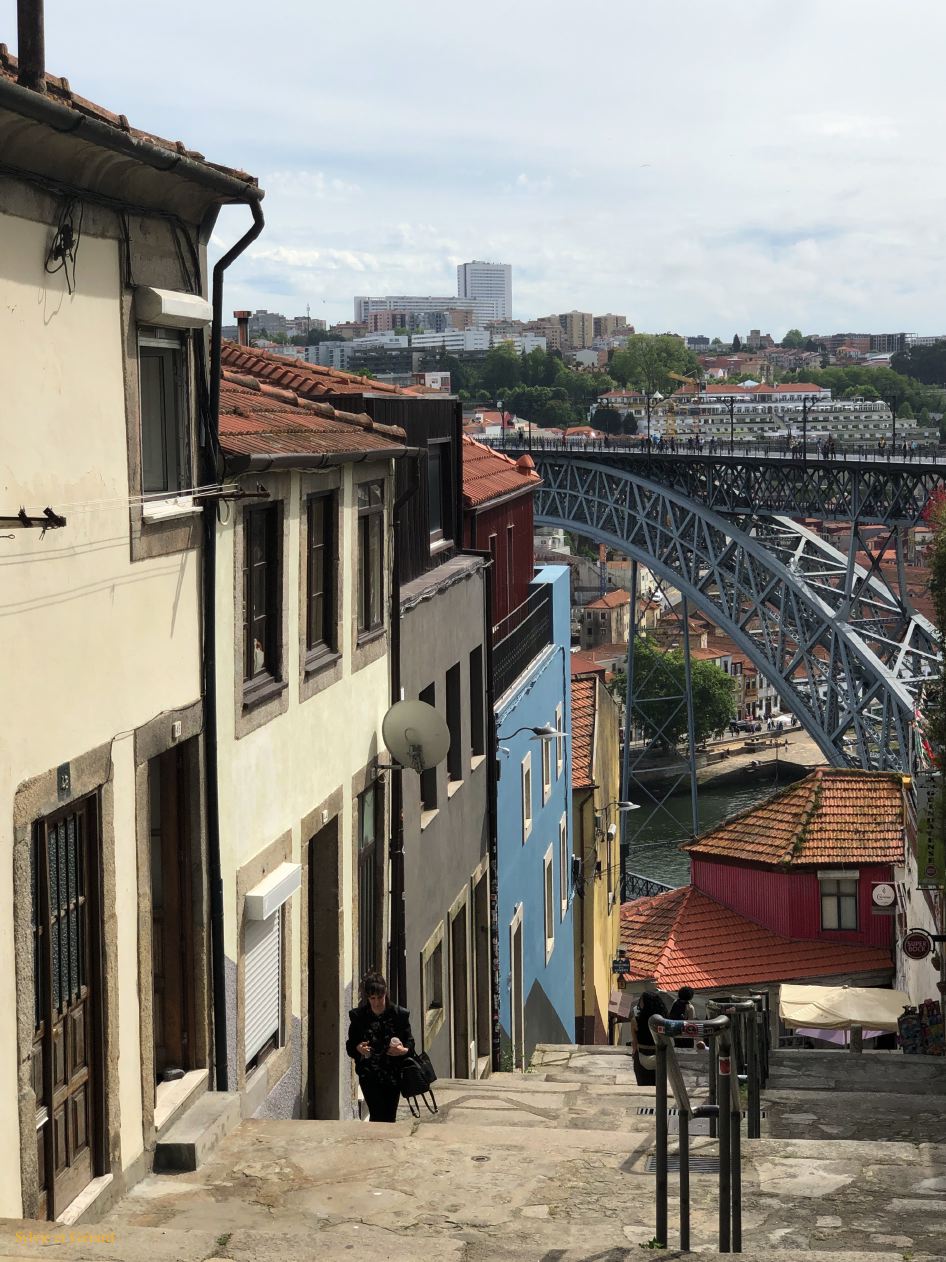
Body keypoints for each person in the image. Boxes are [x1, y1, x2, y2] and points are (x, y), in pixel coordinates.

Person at [346, 971, 415, 1122]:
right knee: (377, 1115)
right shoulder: (359, 1018)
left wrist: (402, 1050)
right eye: (372, 998)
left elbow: (410, 1043)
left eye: (380, 997)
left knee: (389, 1117)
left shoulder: (399, 1015)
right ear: (368, 998)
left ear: (386, 994)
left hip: (393, 1076)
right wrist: (359, 1049)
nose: (377, 1002)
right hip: (369, 1075)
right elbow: (350, 1046)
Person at [629, 990, 667, 1086]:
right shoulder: (664, 1022)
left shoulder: (635, 1021)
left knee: (643, 1085)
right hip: (660, 1056)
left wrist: (634, 1055)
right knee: (659, 1087)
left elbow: (634, 1043)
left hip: (642, 1056)